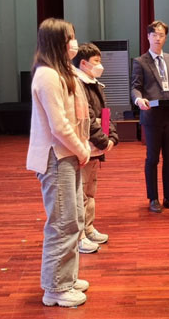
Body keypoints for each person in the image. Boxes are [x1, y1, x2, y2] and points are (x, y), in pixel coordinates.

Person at [26, 18, 91, 308]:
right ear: (56, 42)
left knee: (73, 220)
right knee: (62, 224)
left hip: (67, 154)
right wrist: (83, 150)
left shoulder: (60, 72)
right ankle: (56, 288)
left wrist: (80, 149)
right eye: (69, 38)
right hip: (57, 156)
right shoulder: (47, 76)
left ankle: (66, 277)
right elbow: (60, 126)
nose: (74, 43)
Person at [131, 20, 169, 213]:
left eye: (161, 35)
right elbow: (135, 87)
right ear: (148, 36)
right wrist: (138, 100)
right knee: (152, 159)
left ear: (166, 38)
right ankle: (153, 198)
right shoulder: (140, 61)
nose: (158, 38)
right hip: (152, 116)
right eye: (154, 34)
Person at [73, 43, 119, 254]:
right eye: (96, 61)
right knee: (80, 194)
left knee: (90, 191)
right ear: (83, 63)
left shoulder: (95, 84)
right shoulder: (78, 84)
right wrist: (103, 140)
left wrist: (112, 137)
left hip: (95, 149)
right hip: (84, 146)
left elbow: (106, 114)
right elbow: (88, 118)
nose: (100, 66)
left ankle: (89, 229)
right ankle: (80, 236)